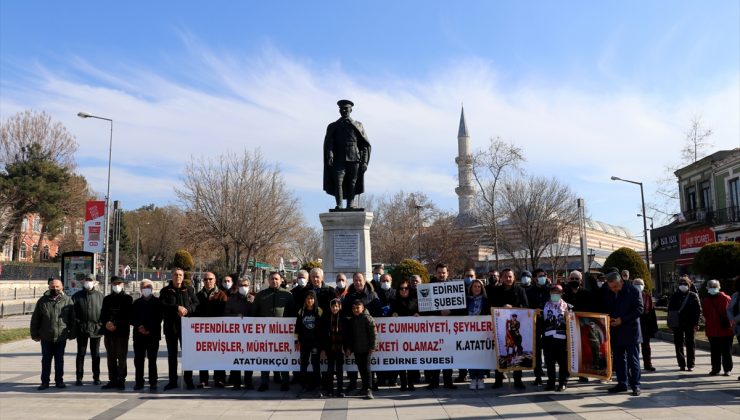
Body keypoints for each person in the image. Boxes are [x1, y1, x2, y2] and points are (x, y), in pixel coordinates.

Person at [323, 99, 372, 209]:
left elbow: (364, 145)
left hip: (354, 159)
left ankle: (351, 204)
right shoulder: (333, 126)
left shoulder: (357, 125)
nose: (343, 110)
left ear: (351, 110)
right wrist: (330, 154)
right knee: (338, 182)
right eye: (341, 109)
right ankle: (339, 205)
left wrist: (364, 162)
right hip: (338, 159)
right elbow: (329, 143)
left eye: (346, 108)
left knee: (352, 182)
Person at [253, 271, 296, 392]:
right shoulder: (261, 295)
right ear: (268, 280)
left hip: (282, 334)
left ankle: (285, 382)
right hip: (265, 334)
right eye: (272, 279)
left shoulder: (288, 295)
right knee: (265, 358)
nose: (274, 281)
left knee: (283, 358)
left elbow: (292, 313)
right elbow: (254, 313)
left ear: (281, 280)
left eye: (276, 279)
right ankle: (264, 382)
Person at [30, 278, 76, 390]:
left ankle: (59, 381)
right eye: (52, 286)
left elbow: (72, 319)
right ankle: (44, 382)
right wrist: (34, 334)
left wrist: (72, 333)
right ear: (49, 287)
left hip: (61, 336)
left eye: (57, 287)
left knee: (59, 360)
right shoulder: (42, 301)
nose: (54, 288)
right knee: (46, 360)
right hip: (46, 336)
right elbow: (35, 319)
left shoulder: (68, 300)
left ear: (62, 287)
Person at [603, 270, 643, 396]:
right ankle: (622, 383)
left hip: (631, 331)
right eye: (611, 287)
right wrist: (608, 319)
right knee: (619, 360)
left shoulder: (633, 291)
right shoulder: (609, 292)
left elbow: (639, 309)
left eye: (615, 286)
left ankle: (635, 385)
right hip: (616, 331)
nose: (613, 289)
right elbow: (606, 308)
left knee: (633, 360)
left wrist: (622, 319)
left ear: (621, 281)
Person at [427, 263, 465, 390]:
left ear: (448, 273)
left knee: (448, 354)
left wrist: (450, 312)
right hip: (434, 328)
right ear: (435, 273)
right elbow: (425, 309)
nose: (441, 275)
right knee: (435, 354)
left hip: (449, 328)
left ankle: (448, 381)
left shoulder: (455, 287)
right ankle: (434, 381)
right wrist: (439, 312)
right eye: (439, 272)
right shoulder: (428, 287)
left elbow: (461, 308)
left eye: (444, 272)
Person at [161, 267, 199, 390]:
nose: (178, 277)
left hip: (186, 328)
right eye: (176, 275)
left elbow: (196, 303)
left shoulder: (189, 290)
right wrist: (177, 308)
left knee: (187, 355)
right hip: (171, 328)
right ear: (172, 276)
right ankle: (172, 381)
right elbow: (163, 305)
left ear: (183, 277)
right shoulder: (165, 291)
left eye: (180, 275)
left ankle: (188, 380)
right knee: (172, 356)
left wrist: (187, 309)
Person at [490, 268, 529, 389]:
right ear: (501, 278)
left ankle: (518, 379)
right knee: (501, 352)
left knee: (517, 351)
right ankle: (498, 379)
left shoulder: (520, 290)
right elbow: (490, 306)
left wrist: (513, 308)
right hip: (500, 327)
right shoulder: (496, 290)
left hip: (516, 328)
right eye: (505, 276)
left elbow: (526, 306)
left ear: (514, 277)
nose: (508, 279)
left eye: (510, 276)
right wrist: (502, 308)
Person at [195, 272, 229, 388]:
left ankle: (219, 379)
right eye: (205, 279)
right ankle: (203, 379)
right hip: (203, 332)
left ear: (215, 280)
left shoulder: (222, 295)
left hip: (218, 331)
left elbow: (225, 313)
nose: (208, 281)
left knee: (219, 355)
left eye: (210, 279)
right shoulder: (198, 295)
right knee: (203, 356)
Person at [100, 276, 133, 390]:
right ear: (111, 285)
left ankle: (121, 379)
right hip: (108, 333)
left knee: (121, 357)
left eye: (119, 283)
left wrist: (116, 324)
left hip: (122, 333)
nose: (117, 285)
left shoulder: (128, 299)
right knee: (111, 357)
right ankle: (112, 379)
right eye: (115, 283)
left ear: (123, 284)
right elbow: (103, 314)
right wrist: (107, 323)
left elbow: (128, 316)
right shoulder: (107, 299)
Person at [224, 277, 256, 390]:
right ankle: (236, 382)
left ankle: (248, 381)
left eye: (246, 285)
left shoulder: (253, 299)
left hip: (250, 335)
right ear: (237, 287)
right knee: (236, 359)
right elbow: (226, 314)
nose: (244, 287)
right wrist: (235, 317)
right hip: (236, 335)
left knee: (249, 359)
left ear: (250, 286)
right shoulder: (232, 299)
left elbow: (258, 314)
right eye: (242, 285)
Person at [130, 279, 162, 391]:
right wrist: (140, 326)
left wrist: (149, 329)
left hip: (153, 335)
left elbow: (159, 318)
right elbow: (132, 317)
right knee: (138, 360)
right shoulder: (136, 303)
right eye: (143, 287)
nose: (146, 289)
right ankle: (139, 381)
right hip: (139, 335)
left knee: (152, 360)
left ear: (152, 289)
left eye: (148, 287)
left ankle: (153, 382)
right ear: (140, 289)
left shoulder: (157, 302)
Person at [72, 273, 103, 386]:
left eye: (90, 280)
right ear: (83, 282)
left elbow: (103, 313)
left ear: (94, 282)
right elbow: (72, 313)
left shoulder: (100, 296)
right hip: (82, 330)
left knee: (95, 354)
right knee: (81, 354)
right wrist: (77, 324)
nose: (88, 282)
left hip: (96, 330)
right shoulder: (77, 296)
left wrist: (100, 325)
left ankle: (96, 377)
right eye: (86, 280)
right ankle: (79, 377)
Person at [295, 290, 326, 397]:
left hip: (315, 343)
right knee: (303, 364)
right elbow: (297, 327)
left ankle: (318, 386)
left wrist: (322, 346)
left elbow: (323, 330)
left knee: (315, 364)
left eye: (312, 298)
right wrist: (296, 341)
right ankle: (303, 386)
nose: (310, 300)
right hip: (304, 342)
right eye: (308, 298)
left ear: (315, 299)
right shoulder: (301, 312)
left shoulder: (319, 311)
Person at [390, 279, 419, 391]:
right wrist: (393, 313)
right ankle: (403, 383)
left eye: (406, 288)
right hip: (399, 337)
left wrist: (418, 314)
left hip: (412, 336)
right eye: (401, 288)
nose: (404, 290)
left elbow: (420, 312)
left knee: (411, 361)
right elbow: (389, 313)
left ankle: (410, 383)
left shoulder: (414, 300)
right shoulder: (394, 300)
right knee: (401, 360)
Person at [667, 275, 702, 371]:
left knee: (690, 344)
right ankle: (681, 364)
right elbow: (670, 310)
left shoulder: (693, 296)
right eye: (681, 284)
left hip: (690, 323)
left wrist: (696, 323)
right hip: (677, 323)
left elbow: (698, 311)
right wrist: (670, 323)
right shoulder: (674, 296)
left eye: (685, 284)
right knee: (678, 344)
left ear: (689, 285)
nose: (683, 285)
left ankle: (690, 364)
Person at [345, 300, 377, 399]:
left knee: (367, 369)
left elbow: (373, 334)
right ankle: (364, 387)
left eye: (357, 308)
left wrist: (372, 347)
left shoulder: (368, 318)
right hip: (357, 349)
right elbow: (350, 336)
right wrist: (350, 348)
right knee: (361, 369)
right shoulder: (353, 319)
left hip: (367, 349)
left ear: (362, 308)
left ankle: (369, 389)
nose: (355, 310)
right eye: (354, 308)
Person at [702, 279, 733, 376]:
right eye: (711, 287)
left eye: (714, 287)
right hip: (715, 330)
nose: (712, 289)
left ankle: (724, 369)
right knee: (717, 351)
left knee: (725, 351)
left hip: (724, 329)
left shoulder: (725, 298)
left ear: (718, 287)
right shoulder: (706, 300)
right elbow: (704, 314)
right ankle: (717, 368)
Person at [542, 285, 569, 391]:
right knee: (549, 362)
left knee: (563, 362)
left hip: (562, 338)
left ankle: (563, 382)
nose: (555, 294)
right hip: (548, 337)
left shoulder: (566, 306)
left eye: (557, 292)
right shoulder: (545, 305)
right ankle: (551, 382)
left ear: (561, 293)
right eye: (553, 292)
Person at [527, 268, 550, 386]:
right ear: (535, 278)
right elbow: (526, 307)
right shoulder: (530, 291)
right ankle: (538, 375)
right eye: (540, 276)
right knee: (536, 350)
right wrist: (532, 311)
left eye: (544, 275)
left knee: (549, 350)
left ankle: (551, 376)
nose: (543, 277)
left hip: (549, 324)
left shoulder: (550, 290)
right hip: (535, 323)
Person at [466, 278, 490, 390]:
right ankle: (473, 378)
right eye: (474, 286)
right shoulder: (466, 300)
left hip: (482, 332)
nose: (477, 288)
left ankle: (480, 378)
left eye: (479, 286)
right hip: (468, 332)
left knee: (480, 356)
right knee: (471, 357)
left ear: (482, 288)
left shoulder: (486, 300)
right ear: (471, 288)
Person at [632, 278, 657, 371]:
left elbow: (652, 312)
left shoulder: (647, 296)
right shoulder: (630, 296)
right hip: (634, 325)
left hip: (645, 325)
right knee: (634, 347)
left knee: (646, 346)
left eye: (640, 284)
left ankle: (648, 364)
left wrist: (653, 326)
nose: (639, 285)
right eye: (636, 283)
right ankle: (634, 365)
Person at [323, 298, 346, 397]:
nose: (335, 308)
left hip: (340, 349)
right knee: (330, 371)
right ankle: (330, 390)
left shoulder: (343, 318)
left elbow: (347, 335)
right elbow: (323, 335)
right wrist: (323, 349)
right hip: (330, 348)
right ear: (330, 307)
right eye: (333, 306)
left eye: (336, 306)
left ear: (340, 307)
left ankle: (340, 390)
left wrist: (348, 348)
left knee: (340, 371)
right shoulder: (326, 318)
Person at [727, 276, 740, 381]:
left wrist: (735, 319)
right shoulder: (735, 295)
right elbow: (729, 308)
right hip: (738, 327)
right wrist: (732, 319)